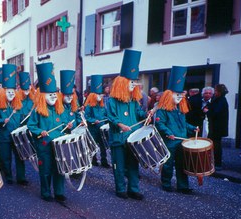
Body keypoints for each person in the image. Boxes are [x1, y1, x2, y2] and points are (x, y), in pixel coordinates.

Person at [27, 62, 73, 202]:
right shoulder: (38, 111)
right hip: (45, 146)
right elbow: (31, 125)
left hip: (59, 145)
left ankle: (59, 192)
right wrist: (40, 131)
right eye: (50, 94)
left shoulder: (61, 110)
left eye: (54, 94)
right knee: (45, 171)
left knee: (59, 169)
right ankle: (46, 192)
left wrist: (70, 125)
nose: (53, 96)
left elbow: (67, 124)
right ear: (42, 96)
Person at [107, 50, 148, 200]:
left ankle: (133, 189)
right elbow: (110, 117)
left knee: (133, 165)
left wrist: (148, 115)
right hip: (118, 138)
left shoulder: (134, 100)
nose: (134, 84)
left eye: (134, 82)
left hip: (133, 138)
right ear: (122, 83)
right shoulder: (111, 101)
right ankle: (120, 189)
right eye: (131, 82)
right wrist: (120, 124)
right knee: (119, 165)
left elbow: (139, 113)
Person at [155, 66, 198, 194]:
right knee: (168, 164)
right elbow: (160, 124)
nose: (180, 97)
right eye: (177, 94)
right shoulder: (162, 110)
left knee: (182, 163)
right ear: (169, 95)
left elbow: (184, 124)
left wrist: (193, 128)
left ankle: (183, 186)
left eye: (181, 95)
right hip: (170, 141)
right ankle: (166, 183)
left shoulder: (180, 109)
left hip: (182, 140)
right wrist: (168, 133)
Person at [0, 64, 28, 185]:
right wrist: (2, 121)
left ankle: (21, 178)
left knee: (20, 157)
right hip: (4, 136)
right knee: (6, 158)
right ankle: (8, 176)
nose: (11, 93)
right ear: (3, 93)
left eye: (13, 91)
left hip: (16, 137)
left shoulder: (18, 105)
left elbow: (23, 118)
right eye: (8, 91)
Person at [84, 74, 110, 168]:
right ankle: (93, 160)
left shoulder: (103, 105)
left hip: (101, 129)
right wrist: (93, 120)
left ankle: (104, 161)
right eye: (99, 94)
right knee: (93, 145)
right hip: (93, 129)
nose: (100, 96)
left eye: (101, 94)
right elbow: (86, 117)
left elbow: (106, 115)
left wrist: (108, 120)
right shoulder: (89, 106)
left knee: (103, 146)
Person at [207, 84, 229, 171]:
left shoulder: (221, 100)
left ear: (219, 92)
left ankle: (217, 163)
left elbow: (215, 112)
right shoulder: (218, 100)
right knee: (215, 144)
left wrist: (207, 111)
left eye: (216, 91)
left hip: (217, 127)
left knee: (216, 145)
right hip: (216, 126)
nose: (214, 92)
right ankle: (214, 162)